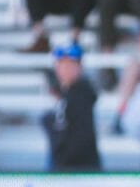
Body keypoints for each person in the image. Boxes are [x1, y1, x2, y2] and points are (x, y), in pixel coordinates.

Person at [41, 41, 100, 171]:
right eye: (62, 64)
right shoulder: (65, 95)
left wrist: (48, 121)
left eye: (70, 64)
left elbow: (79, 141)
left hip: (78, 169)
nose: (65, 69)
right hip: (67, 167)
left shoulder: (81, 94)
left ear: (79, 67)